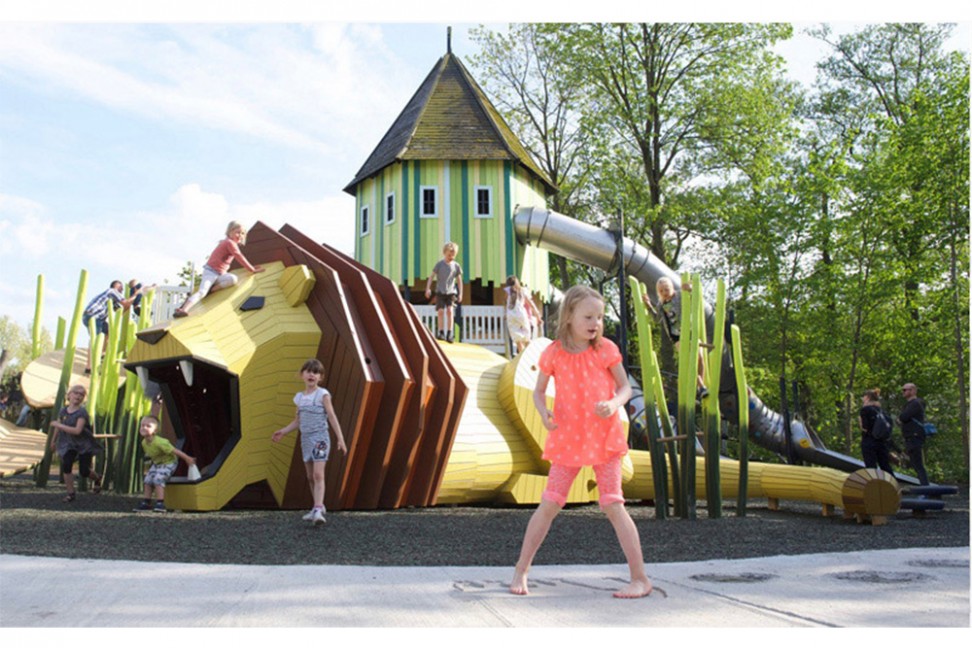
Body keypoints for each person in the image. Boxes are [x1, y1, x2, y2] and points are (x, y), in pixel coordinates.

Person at [510, 285, 653, 599]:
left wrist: (614, 404)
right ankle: (521, 569)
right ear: (570, 315)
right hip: (569, 439)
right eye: (589, 316)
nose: (596, 323)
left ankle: (640, 578)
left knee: (613, 504)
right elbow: (537, 391)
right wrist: (543, 412)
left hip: (604, 438)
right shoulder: (554, 353)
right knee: (549, 503)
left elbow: (625, 388)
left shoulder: (605, 350)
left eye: (600, 317)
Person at [272, 358, 348, 525]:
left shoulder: (323, 394)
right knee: (310, 476)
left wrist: (340, 439)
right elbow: (298, 421)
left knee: (318, 474)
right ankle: (317, 506)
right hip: (306, 439)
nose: (312, 374)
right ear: (302, 375)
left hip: (320, 438)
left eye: (316, 372)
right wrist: (283, 431)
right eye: (309, 371)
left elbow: (332, 416)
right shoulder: (299, 398)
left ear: (320, 377)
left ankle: (319, 509)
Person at [174, 220, 265, 317]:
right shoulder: (229, 243)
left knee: (233, 279)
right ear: (230, 232)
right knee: (202, 292)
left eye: (243, 233)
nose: (240, 235)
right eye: (238, 232)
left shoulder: (228, 242)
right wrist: (251, 269)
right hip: (210, 272)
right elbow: (239, 256)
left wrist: (250, 267)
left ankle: (212, 289)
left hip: (220, 274)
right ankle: (183, 309)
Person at [642, 277, 708, 398]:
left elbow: (696, 299)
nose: (664, 293)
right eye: (661, 291)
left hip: (690, 331)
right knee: (689, 361)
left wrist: (691, 289)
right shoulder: (661, 304)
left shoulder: (680, 296)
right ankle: (701, 386)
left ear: (672, 288)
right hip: (677, 336)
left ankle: (700, 385)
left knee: (699, 358)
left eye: (666, 289)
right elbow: (657, 319)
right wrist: (648, 306)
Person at [49, 385, 102, 503]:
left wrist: (59, 425)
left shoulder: (82, 413)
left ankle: (97, 478)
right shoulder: (63, 410)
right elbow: (58, 427)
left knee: (84, 471)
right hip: (68, 443)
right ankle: (70, 493)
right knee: (67, 465)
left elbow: (77, 431)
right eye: (76, 393)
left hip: (84, 444)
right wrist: (53, 441)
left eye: (81, 394)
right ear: (69, 395)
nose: (78, 396)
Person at [133, 415, 196, 512]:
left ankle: (160, 503)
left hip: (168, 463)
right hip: (157, 463)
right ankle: (146, 502)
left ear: (155, 431)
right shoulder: (144, 443)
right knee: (147, 480)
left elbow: (174, 451)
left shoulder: (160, 443)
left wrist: (187, 458)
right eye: (142, 425)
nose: (144, 428)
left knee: (158, 479)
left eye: (148, 426)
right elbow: (151, 455)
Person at [82, 280, 145, 373]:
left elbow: (121, 310)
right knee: (95, 340)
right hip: (94, 316)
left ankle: (102, 353)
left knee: (107, 331)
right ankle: (90, 367)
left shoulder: (112, 299)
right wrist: (136, 294)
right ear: (116, 286)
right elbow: (125, 302)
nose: (122, 290)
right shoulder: (112, 291)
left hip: (97, 318)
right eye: (121, 288)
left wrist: (133, 301)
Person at [424, 242, 463, 342]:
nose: (451, 257)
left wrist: (460, 293)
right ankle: (441, 332)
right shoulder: (439, 264)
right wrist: (428, 288)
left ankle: (450, 333)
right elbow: (431, 276)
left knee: (450, 311)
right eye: (449, 255)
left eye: (453, 255)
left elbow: (459, 280)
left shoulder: (456, 266)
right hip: (440, 292)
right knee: (441, 311)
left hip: (451, 292)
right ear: (444, 253)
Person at [898, 382, 929, 485]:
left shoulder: (916, 403)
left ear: (913, 391)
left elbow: (903, 417)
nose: (903, 392)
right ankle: (925, 488)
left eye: (905, 390)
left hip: (914, 436)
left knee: (918, 464)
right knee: (915, 464)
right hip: (910, 436)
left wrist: (902, 418)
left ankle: (926, 489)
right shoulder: (909, 404)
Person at [504, 275, 543, 355]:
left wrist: (505, 314)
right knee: (527, 338)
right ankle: (529, 355)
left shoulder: (508, 292)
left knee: (518, 340)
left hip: (510, 315)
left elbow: (507, 304)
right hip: (521, 313)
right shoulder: (522, 291)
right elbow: (531, 304)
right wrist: (538, 316)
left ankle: (522, 356)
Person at [859, 388, 894, 473]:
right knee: (885, 466)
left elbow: (865, 427)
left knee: (871, 467)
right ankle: (892, 484)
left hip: (869, 441)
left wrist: (860, 422)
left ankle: (873, 485)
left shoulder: (865, 410)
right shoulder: (881, 411)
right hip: (882, 442)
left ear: (867, 397)